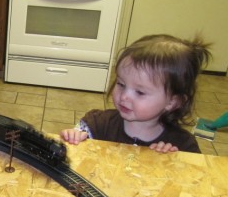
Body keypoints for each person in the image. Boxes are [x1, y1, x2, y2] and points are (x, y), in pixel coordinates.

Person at [60, 34, 212, 153]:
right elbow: (70, 156)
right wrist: (73, 139)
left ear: (172, 102)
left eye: (140, 92)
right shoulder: (96, 124)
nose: (125, 96)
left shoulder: (182, 144)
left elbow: (193, 183)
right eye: (121, 84)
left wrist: (172, 162)